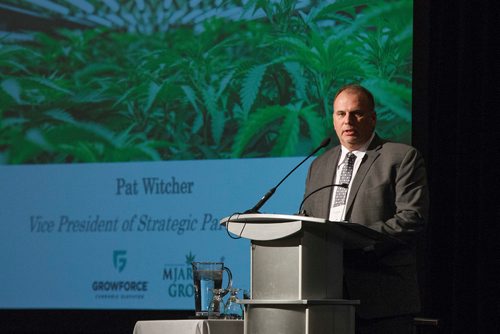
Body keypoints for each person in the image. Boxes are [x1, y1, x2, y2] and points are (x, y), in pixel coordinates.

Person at [302, 84, 429, 334]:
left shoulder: (401, 157)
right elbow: (308, 219)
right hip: (324, 297)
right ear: (333, 119)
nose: (348, 120)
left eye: (356, 113)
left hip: (381, 297)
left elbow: (412, 218)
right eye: (340, 114)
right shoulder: (319, 164)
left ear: (372, 119)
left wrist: (357, 240)